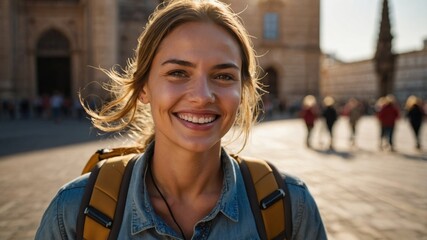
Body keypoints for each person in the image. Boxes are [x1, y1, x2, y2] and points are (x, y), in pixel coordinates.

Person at [35, 1, 327, 239]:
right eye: (178, 73)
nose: (202, 96)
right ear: (144, 87)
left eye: (224, 76)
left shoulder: (292, 208)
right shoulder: (73, 213)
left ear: (243, 91)